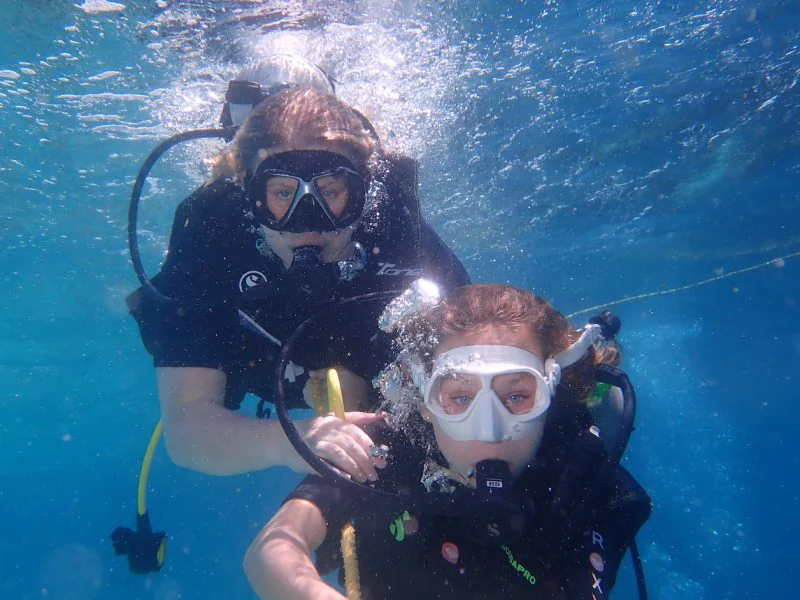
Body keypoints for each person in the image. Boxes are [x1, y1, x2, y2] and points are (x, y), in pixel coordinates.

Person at [126, 70, 470, 481]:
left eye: (331, 191)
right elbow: (187, 433)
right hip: (263, 362)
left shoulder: (394, 227)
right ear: (248, 193)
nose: (309, 222)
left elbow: (476, 341)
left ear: (364, 192)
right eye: (283, 193)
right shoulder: (210, 235)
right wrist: (289, 441)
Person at [244, 283, 651, 599]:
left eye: (516, 397)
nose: (488, 430)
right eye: (459, 397)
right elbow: (274, 550)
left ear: (550, 395)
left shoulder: (585, 483)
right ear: (424, 401)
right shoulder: (384, 450)